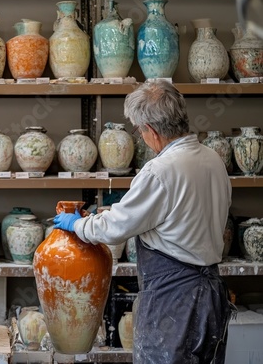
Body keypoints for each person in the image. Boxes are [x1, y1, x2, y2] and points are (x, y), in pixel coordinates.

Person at [53, 80, 236, 364]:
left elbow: (115, 229)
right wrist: (108, 213)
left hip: (174, 300)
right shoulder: (212, 159)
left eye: (138, 130)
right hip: (209, 293)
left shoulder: (160, 170)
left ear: (150, 130)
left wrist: (77, 225)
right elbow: (175, 213)